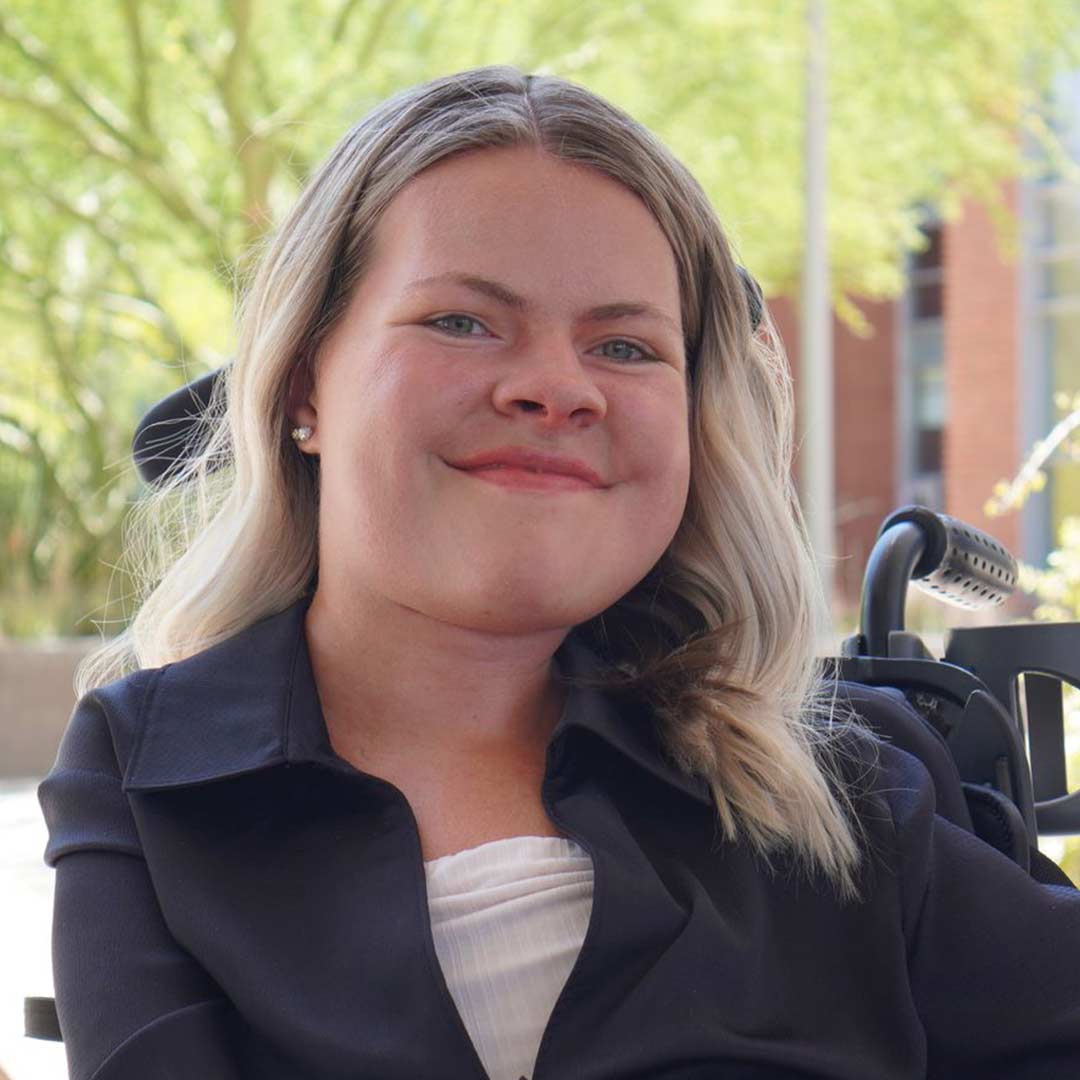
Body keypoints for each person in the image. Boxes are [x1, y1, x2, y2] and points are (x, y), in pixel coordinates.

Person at [37, 66, 1080, 1080]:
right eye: (462, 321)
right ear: (306, 382)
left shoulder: (838, 788)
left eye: (626, 347)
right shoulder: (145, 778)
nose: (555, 385)